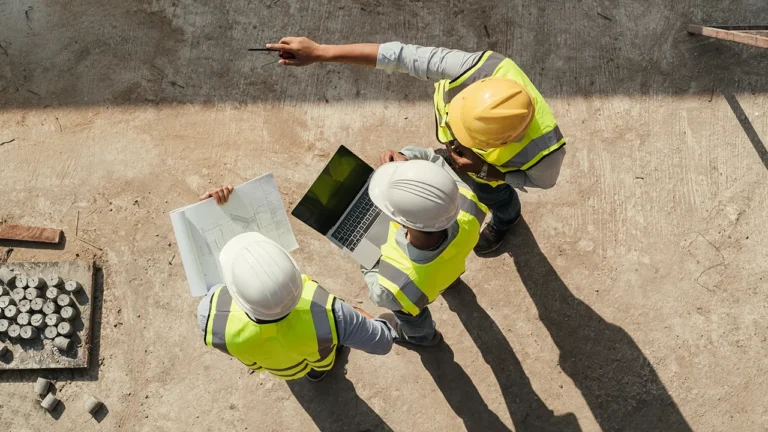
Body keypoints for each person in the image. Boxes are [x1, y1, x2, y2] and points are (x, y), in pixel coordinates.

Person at [265, 37, 566, 253]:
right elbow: (399, 56)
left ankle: (507, 218)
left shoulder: (546, 154)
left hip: (489, 175)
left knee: (496, 198)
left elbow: (543, 183)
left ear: (503, 141)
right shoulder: (476, 68)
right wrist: (320, 52)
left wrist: (490, 172)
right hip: (478, 163)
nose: (453, 140)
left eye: (464, 138)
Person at [196, 186, 397, 382]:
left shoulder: (210, 316)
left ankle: (311, 374)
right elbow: (382, 342)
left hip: (279, 368)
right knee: (321, 361)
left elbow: (211, 281)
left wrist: (209, 214)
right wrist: (355, 315)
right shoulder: (332, 313)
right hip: (319, 356)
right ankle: (318, 373)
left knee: (289, 366)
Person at [363, 148, 488, 345]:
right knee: (445, 271)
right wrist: (408, 162)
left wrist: (365, 253)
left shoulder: (394, 288)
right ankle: (450, 283)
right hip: (447, 268)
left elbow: (378, 294)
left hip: (418, 291)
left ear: (401, 223)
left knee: (410, 315)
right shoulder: (468, 205)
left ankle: (422, 337)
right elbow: (434, 161)